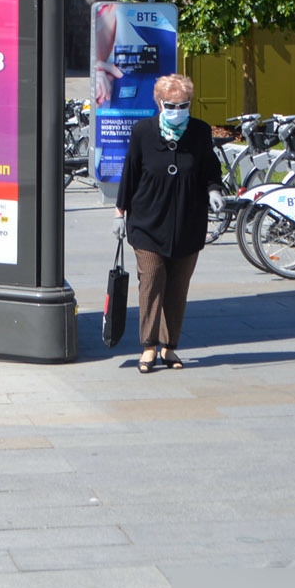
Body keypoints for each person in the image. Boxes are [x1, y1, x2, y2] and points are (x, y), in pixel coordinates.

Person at [114, 72, 217, 373]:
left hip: (188, 223)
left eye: (183, 105)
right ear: (159, 104)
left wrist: (214, 190)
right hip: (148, 222)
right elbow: (130, 172)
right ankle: (148, 346)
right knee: (151, 281)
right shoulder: (143, 131)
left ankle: (169, 347)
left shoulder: (199, 132)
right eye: (171, 106)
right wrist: (119, 213)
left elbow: (210, 168)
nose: (177, 111)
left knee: (177, 287)